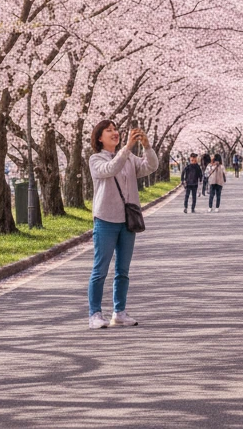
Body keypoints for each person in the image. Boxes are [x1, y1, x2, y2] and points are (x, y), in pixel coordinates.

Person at [87, 120, 158, 329]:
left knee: (123, 270)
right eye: (108, 130)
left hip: (127, 221)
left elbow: (150, 166)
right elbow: (110, 169)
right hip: (105, 219)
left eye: (115, 129)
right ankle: (95, 314)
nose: (114, 133)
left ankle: (119, 312)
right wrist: (127, 148)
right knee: (100, 269)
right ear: (99, 138)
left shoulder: (129, 158)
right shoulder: (95, 159)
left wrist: (147, 147)